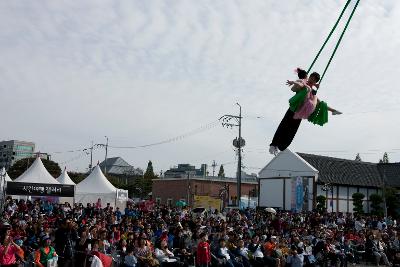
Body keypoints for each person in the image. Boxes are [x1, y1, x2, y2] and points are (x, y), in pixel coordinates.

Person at [269, 68, 341, 155]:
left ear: (315, 82)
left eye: (314, 79)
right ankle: (273, 145)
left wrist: (332, 110)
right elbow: (300, 84)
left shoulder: (312, 92)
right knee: (283, 127)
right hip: (293, 110)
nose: (311, 80)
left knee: (291, 132)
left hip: (300, 114)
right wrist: (294, 82)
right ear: (309, 77)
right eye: (311, 77)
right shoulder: (304, 83)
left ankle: (280, 146)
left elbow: (319, 103)